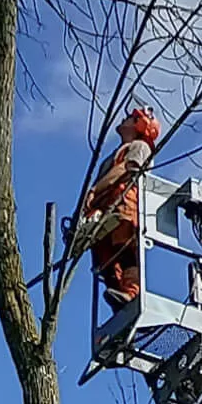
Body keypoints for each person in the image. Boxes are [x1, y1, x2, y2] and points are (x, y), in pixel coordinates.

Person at [84, 105, 162, 308]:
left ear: (139, 125)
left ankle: (132, 292)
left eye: (131, 118)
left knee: (124, 246)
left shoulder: (140, 147)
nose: (125, 119)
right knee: (105, 259)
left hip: (125, 203)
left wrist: (94, 190)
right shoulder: (110, 158)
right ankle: (118, 304)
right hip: (102, 210)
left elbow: (126, 169)